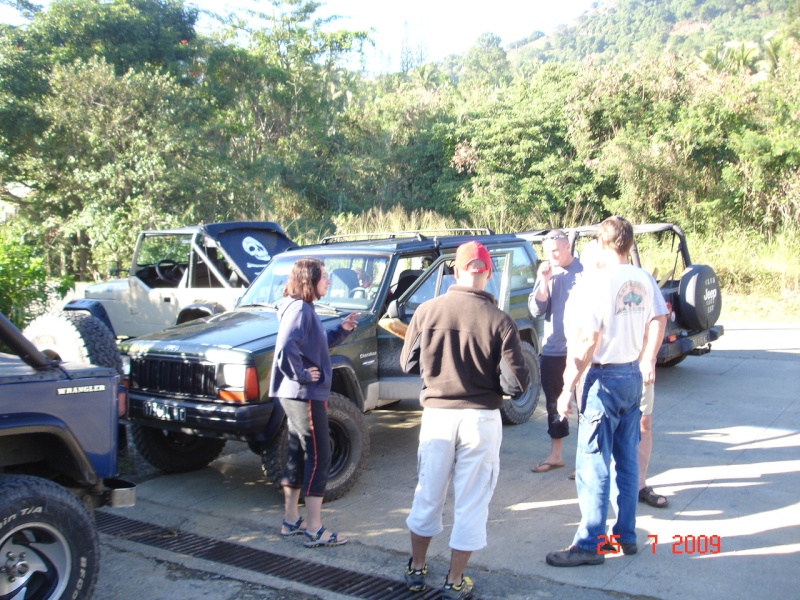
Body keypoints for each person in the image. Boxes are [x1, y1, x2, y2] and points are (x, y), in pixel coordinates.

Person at [400, 241, 531, 599]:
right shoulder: (501, 321)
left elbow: (408, 364)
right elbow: (517, 383)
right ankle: (455, 582)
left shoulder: (427, 311)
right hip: (480, 419)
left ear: (455, 271)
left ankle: (416, 569)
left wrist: (439, 371)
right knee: (472, 501)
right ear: (488, 273)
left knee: (428, 494)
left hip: (437, 418)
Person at [546, 216, 667, 567]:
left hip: (603, 378)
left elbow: (587, 340)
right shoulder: (642, 278)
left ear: (602, 243)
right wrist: (648, 359)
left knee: (593, 464)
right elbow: (660, 316)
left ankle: (590, 543)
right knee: (626, 460)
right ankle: (625, 535)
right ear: (628, 244)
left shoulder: (599, 283)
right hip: (631, 375)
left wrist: (567, 387)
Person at [268, 257, 359, 548]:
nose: (329, 281)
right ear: (310, 280)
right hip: (304, 394)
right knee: (320, 457)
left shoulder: (301, 308)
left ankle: (291, 519)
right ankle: (314, 529)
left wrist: (342, 330)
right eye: (325, 277)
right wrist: (303, 374)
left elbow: (313, 344)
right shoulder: (299, 310)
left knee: (297, 452)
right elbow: (285, 349)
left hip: (297, 394)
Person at [529, 230, 583, 473]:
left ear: (567, 247)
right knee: (553, 404)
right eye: (548, 252)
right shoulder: (547, 274)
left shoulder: (585, 271)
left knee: (585, 406)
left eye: (556, 250)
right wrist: (543, 280)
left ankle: (585, 461)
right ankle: (556, 455)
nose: (551, 255)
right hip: (553, 350)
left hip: (582, 349)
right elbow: (537, 310)